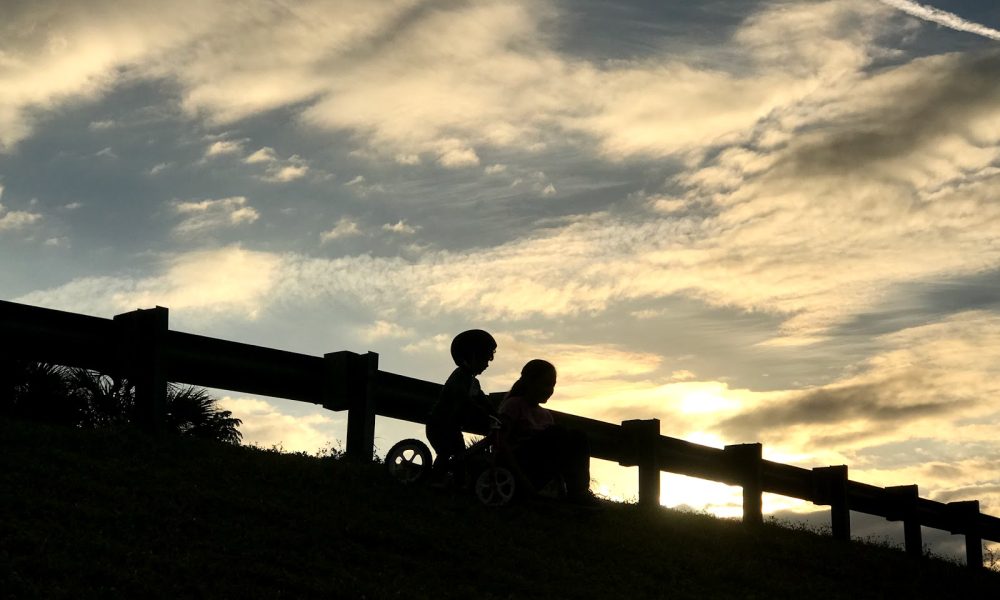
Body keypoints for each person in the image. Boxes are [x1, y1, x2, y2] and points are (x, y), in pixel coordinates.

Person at [498, 359, 596, 505]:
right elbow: (500, 441)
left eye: (553, 385)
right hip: (519, 466)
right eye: (546, 384)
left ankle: (579, 491)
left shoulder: (546, 415)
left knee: (579, 436)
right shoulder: (513, 405)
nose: (550, 390)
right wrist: (521, 478)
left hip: (542, 467)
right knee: (558, 432)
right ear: (530, 382)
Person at [426, 329, 497, 479]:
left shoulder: (473, 382)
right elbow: (463, 398)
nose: (487, 365)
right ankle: (434, 479)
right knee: (445, 451)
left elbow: (483, 401)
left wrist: (496, 414)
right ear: (472, 357)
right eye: (485, 359)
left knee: (460, 456)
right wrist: (483, 413)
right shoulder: (459, 376)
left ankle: (456, 481)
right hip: (439, 425)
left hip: (452, 427)